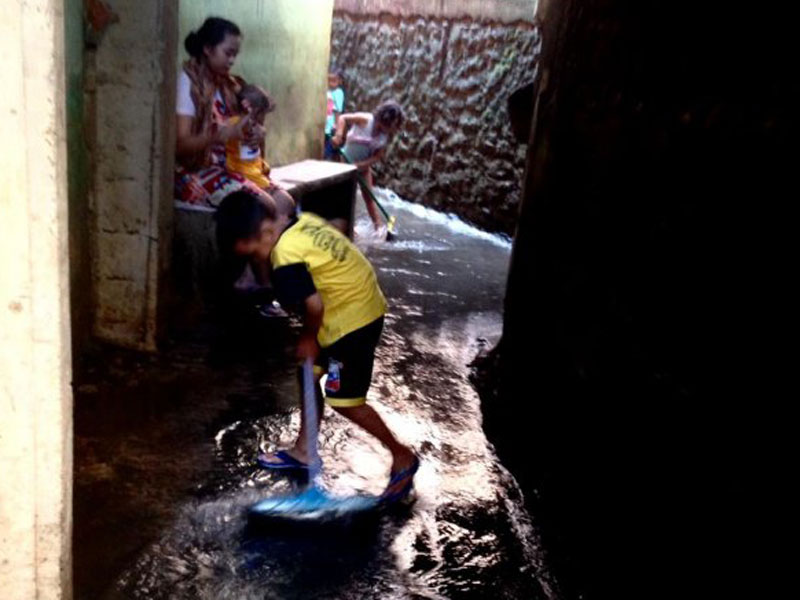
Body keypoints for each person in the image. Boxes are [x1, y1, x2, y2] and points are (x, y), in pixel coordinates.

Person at [215, 190, 420, 501]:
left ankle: (402, 455)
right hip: (351, 300)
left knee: (345, 400)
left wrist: (308, 338)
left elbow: (314, 305)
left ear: (263, 234)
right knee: (307, 372)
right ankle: (304, 451)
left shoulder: (284, 259)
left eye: (253, 252)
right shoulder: (302, 223)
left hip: (353, 319)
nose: (255, 260)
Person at [174, 17, 282, 212]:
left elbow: (243, 125)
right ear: (207, 49)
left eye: (235, 54)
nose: (232, 60)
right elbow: (180, 145)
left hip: (232, 166)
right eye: (228, 53)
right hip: (196, 171)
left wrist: (257, 132)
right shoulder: (189, 83)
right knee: (267, 207)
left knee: (285, 203)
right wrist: (218, 136)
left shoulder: (228, 85)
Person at [331, 101, 404, 232]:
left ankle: (379, 228)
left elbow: (377, 156)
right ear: (383, 118)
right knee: (348, 198)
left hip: (363, 168)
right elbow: (343, 118)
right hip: (345, 166)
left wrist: (360, 165)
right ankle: (349, 228)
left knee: (369, 199)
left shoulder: (384, 136)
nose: (391, 130)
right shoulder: (365, 120)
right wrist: (339, 135)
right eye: (390, 126)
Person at [225, 83, 296, 218]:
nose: (263, 120)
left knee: (287, 204)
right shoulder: (237, 124)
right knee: (278, 207)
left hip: (259, 179)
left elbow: (257, 161)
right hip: (246, 181)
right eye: (262, 114)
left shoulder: (256, 129)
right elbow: (235, 129)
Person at [323, 70, 345, 160]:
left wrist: (336, 127)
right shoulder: (326, 90)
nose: (330, 83)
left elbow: (338, 111)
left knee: (328, 149)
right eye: (329, 80)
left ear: (340, 81)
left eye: (334, 81)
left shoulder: (338, 93)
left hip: (331, 126)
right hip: (324, 124)